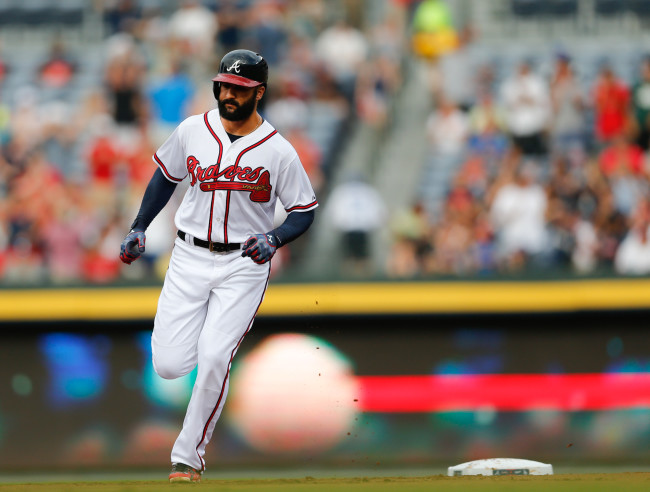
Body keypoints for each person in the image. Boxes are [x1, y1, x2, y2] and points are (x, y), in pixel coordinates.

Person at [118, 49, 318, 483]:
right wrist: (139, 227)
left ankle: (187, 459)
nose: (228, 94)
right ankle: (205, 361)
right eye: (224, 85)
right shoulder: (194, 129)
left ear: (259, 93)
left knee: (213, 356)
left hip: (242, 263)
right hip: (188, 255)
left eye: (239, 88)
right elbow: (165, 177)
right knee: (169, 366)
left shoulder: (278, 150)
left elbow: (304, 210)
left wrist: (275, 238)